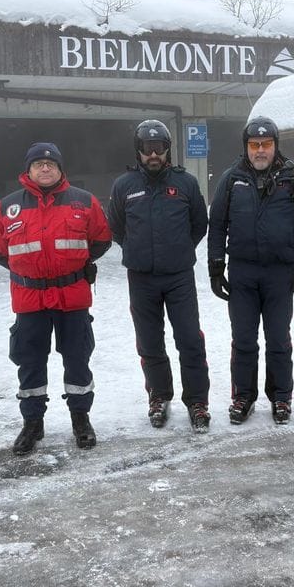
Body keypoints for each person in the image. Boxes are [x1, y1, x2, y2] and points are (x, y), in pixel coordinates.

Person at [0, 142, 112, 453]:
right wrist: (30, 270)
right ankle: (32, 423)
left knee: (77, 359)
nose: (45, 168)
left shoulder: (84, 201)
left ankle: (80, 418)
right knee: (29, 362)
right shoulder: (8, 206)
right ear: (28, 170)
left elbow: (101, 239)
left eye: (51, 164)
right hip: (29, 297)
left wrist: (73, 265)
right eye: (38, 164)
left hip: (72, 296)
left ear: (60, 169)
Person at [208, 117, 294, 425]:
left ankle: (281, 396)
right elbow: (217, 225)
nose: (260, 150)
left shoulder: (293, 179)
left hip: (279, 275)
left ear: (275, 146)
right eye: (254, 145)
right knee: (243, 339)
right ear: (246, 147)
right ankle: (243, 397)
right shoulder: (231, 179)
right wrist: (216, 267)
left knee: (278, 339)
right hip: (242, 273)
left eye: (266, 144)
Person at [107, 120, 211, 433]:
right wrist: (137, 250)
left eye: (159, 148)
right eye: (147, 149)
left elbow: (199, 224)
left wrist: (178, 250)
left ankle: (197, 401)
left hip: (179, 277)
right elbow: (117, 227)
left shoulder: (186, 183)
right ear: (138, 151)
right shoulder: (124, 186)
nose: (153, 154)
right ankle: (159, 396)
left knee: (190, 340)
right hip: (142, 278)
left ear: (168, 150)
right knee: (150, 342)